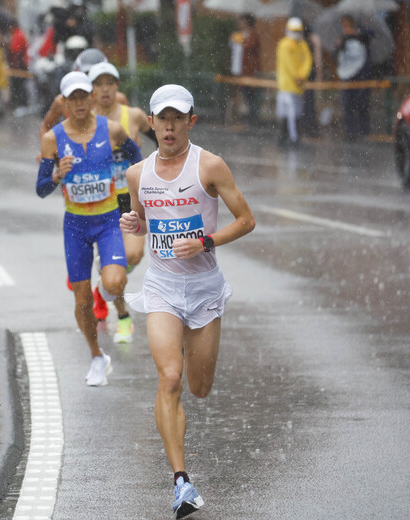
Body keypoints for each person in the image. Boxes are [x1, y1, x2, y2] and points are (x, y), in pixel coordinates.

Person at [119, 84, 255, 518]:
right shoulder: (137, 174)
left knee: (199, 386)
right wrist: (133, 224)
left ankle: (173, 421)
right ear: (151, 122)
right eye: (164, 118)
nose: (171, 126)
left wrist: (207, 241)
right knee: (170, 377)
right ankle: (181, 483)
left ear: (191, 121)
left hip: (203, 289)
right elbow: (142, 221)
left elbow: (247, 220)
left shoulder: (209, 166)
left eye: (179, 118)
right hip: (160, 286)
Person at [36, 71, 142, 385]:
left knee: (115, 281)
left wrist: (128, 184)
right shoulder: (52, 139)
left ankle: (110, 291)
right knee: (81, 302)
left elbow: (136, 162)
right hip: (76, 226)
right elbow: (40, 188)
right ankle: (97, 356)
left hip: (109, 221)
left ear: (92, 98)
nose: (80, 103)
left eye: (84, 96)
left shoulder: (112, 130)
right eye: (74, 98)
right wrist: (56, 175)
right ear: (65, 102)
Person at [87, 61, 155, 342]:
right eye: (99, 84)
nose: (105, 89)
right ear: (91, 90)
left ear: (117, 86)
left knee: (135, 255)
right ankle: (123, 314)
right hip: (100, 201)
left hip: (131, 198)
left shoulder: (134, 116)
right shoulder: (84, 119)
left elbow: (166, 141)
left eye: (110, 83)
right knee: (113, 265)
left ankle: (104, 287)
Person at [275, 17, 312, 147]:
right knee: (286, 114)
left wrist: (301, 75)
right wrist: (297, 76)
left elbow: (307, 61)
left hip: (298, 87)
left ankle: (290, 138)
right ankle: (289, 138)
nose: (296, 33)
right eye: (294, 31)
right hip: (287, 86)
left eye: (298, 31)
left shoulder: (302, 44)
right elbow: (288, 64)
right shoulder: (285, 45)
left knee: (295, 114)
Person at [335, 15, 372, 141]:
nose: (346, 28)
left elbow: (370, 36)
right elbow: (337, 57)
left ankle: (363, 132)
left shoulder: (362, 35)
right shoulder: (343, 39)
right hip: (347, 77)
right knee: (348, 106)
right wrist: (339, 45)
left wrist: (356, 34)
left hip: (360, 77)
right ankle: (350, 132)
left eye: (347, 25)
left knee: (362, 104)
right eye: (343, 26)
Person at [228, 14, 260, 124]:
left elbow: (250, 46)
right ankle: (240, 117)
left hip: (248, 70)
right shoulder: (239, 35)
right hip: (238, 69)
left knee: (248, 95)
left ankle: (249, 118)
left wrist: (241, 40)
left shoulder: (253, 35)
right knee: (240, 94)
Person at [7, 21, 30, 110]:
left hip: (19, 64)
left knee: (19, 86)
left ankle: (22, 104)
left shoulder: (18, 35)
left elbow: (15, 50)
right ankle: (20, 104)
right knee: (19, 86)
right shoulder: (19, 34)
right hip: (19, 63)